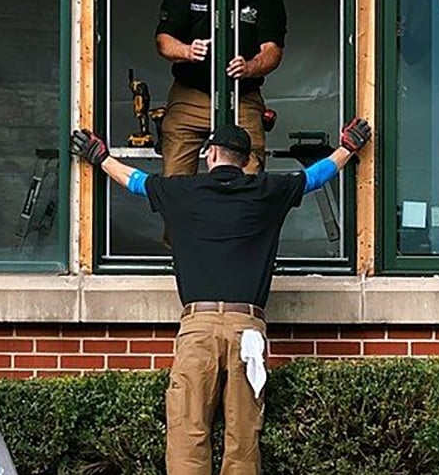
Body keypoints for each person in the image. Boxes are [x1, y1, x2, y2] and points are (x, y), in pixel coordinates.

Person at [70, 116, 373, 475]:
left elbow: (134, 181)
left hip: (198, 326)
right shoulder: (268, 191)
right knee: (244, 437)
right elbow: (315, 177)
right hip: (248, 329)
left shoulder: (180, 192)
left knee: (188, 431)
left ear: (210, 154)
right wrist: (348, 148)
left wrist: (99, 156)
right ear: (245, 161)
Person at [155, 0, 286, 176]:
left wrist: (250, 67)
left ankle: (240, 213)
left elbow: (273, 51)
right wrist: (187, 51)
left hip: (243, 95)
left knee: (250, 174)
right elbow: (163, 40)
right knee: (174, 177)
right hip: (190, 93)